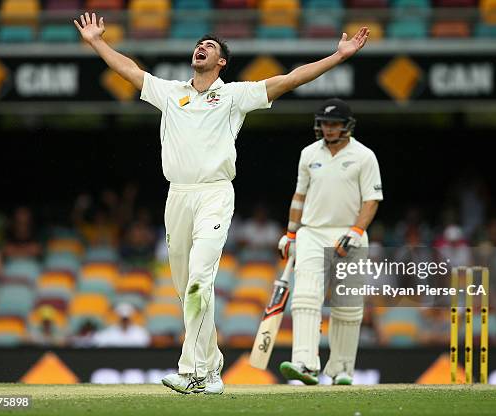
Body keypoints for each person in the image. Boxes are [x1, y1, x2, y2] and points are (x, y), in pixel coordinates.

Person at [74, 11, 370, 394]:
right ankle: (212, 370)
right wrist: (97, 41)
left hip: (214, 193)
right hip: (177, 196)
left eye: (210, 46)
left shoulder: (233, 96)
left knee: (200, 281)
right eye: (199, 44)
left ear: (222, 62)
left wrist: (338, 56)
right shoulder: (171, 92)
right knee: (188, 292)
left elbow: (290, 79)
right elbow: (129, 71)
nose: (201, 47)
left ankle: (190, 370)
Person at [277, 99, 383, 385]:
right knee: (306, 296)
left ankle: (341, 370)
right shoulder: (309, 154)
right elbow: (299, 196)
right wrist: (290, 233)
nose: (329, 128)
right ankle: (305, 363)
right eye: (325, 123)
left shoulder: (364, 156)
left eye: (334, 123)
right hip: (311, 232)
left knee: (347, 306)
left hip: (350, 233)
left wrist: (357, 231)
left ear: (347, 125)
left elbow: (371, 200)